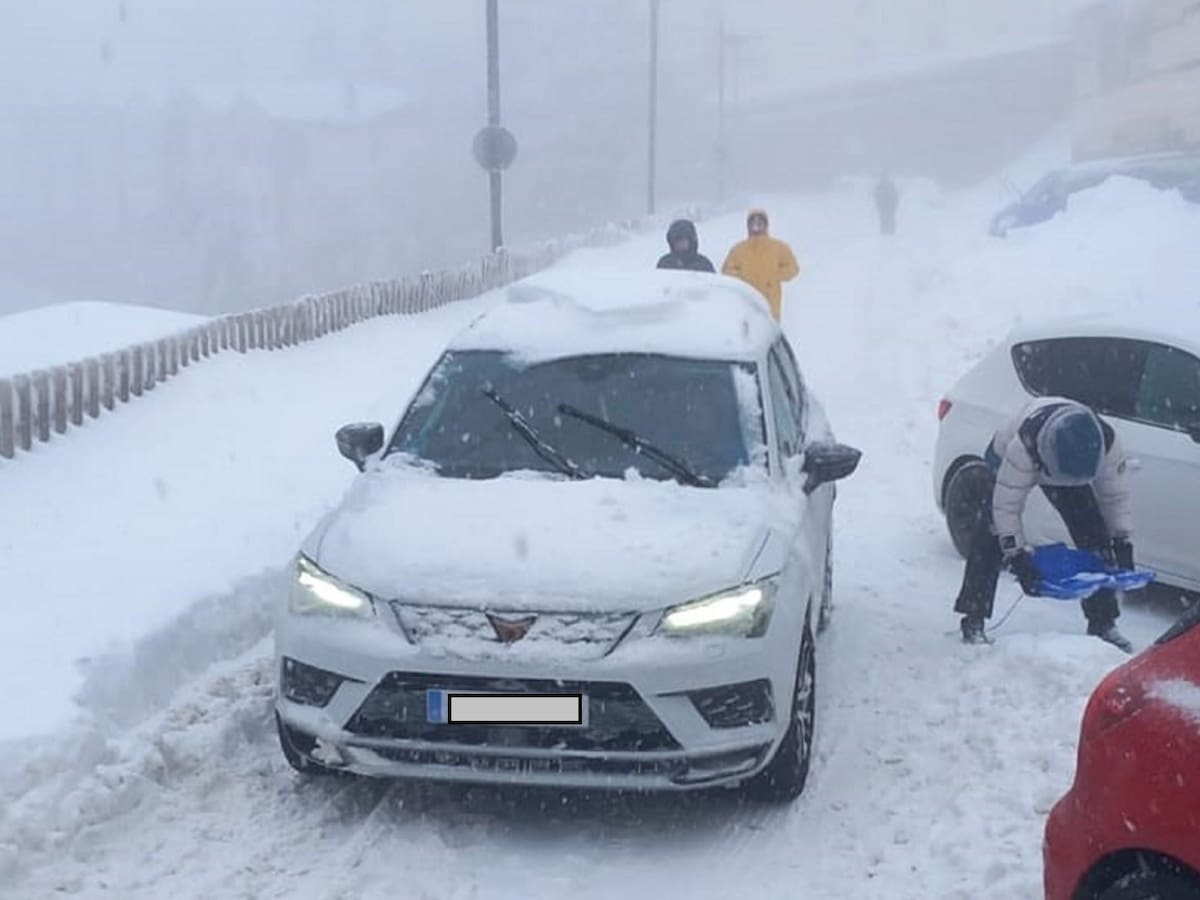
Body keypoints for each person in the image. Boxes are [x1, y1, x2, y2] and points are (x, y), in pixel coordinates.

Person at [954, 396, 1136, 651]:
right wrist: (1016, 555)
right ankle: (973, 619)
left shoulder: (1105, 443)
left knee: (1096, 537)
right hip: (1011, 457)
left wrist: (1122, 541)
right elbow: (1006, 508)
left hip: (1069, 462)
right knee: (991, 534)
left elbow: (1115, 497)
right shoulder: (1022, 449)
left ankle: (1103, 623)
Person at [721, 209, 799, 321]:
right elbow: (726, 271)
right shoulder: (738, 249)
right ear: (748, 226)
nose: (756, 225)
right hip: (745, 304)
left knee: (769, 336)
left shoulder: (778, 247)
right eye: (753, 222)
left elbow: (793, 268)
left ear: (766, 225)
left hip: (770, 305)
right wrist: (741, 276)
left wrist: (775, 275)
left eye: (760, 222)